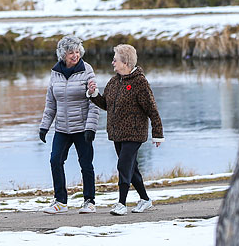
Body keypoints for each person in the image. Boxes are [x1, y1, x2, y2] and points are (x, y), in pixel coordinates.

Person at [87, 44, 164, 216]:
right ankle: (145, 199)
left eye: (115, 59)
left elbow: (152, 109)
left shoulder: (140, 82)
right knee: (131, 168)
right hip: (117, 133)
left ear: (125, 62)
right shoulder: (114, 81)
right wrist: (93, 94)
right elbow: (105, 104)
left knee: (123, 165)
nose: (112, 62)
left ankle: (121, 203)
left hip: (134, 133)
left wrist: (157, 133)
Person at [39, 35, 100, 214]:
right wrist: (44, 126)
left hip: (82, 128)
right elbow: (51, 103)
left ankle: (89, 201)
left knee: (86, 164)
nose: (75, 55)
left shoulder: (87, 70)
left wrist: (91, 128)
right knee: (55, 160)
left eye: (77, 51)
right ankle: (60, 201)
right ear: (62, 55)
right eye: (70, 52)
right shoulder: (55, 73)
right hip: (62, 128)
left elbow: (94, 101)